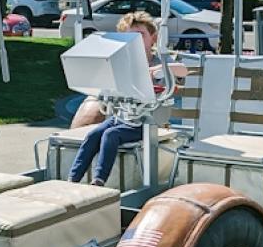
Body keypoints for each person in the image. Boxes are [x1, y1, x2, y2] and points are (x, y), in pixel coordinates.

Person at [69, 12, 188, 186]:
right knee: (93, 134)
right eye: (131, 36)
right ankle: (73, 179)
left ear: (152, 38)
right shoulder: (122, 61)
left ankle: (99, 180)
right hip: (122, 116)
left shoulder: (159, 59)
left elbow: (182, 70)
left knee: (111, 135)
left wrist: (156, 70)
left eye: (141, 35)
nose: (136, 40)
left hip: (146, 121)